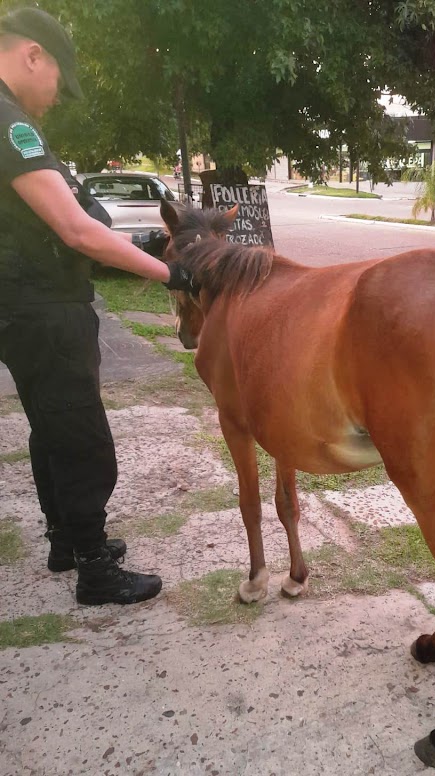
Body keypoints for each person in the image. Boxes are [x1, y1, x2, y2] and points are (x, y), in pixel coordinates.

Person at [0, 7, 195, 606]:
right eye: (60, 77)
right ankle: (95, 571)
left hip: (22, 306)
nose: (57, 96)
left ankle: (66, 539)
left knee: (49, 427)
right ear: (34, 55)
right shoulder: (11, 125)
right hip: (44, 307)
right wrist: (170, 273)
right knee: (80, 436)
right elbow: (77, 231)